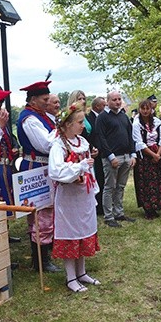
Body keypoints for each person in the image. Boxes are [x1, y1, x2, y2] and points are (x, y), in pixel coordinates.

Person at [49, 104, 101, 292]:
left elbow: (88, 166)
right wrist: (79, 167)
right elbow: (55, 171)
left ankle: (81, 272)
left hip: (83, 195)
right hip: (69, 198)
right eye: (80, 122)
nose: (83, 125)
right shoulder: (59, 145)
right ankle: (71, 277)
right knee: (70, 232)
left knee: (83, 228)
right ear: (67, 125)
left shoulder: (82, 142)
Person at [17, 80, 61, 272]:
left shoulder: (43, 117)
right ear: (33, 100)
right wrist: (60, 132)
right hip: (36, 169)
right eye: (44, 99)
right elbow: (45, 145)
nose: (47, 102)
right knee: (40, 214)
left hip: (46, 168)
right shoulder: (30, 119)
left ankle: (48, 252)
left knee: (49, 212)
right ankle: (40, 260)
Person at [94, 91, 136, 227]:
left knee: (121, 186)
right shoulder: (102, 118)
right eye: (114, 100)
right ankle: (109, 216)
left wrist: (133, 154)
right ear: (108, 101)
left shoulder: (124, 116)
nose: (117, 102)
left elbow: (130, 136)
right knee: (109, 187)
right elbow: (101, 139)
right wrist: (110, 156)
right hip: (111, 157)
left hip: (126, 156)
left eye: (119, 99)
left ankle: (119, 213)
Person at [132, 99, 161, 219]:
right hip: (145, 156)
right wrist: (153, 155)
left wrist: (158, 154)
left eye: (147, 108)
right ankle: (148, 208)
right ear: (139, 109)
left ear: (151, 109)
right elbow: (139, 143)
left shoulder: (157, 122)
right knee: (146, 182)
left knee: (157, 180)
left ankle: (157, 205)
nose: (145, 111)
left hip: (156, 152)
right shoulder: (136, 123)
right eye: (143, 108)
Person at [86, 97, 106, 215]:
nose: (105, 108)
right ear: (97, 106)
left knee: (102, 179)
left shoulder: (102, 118)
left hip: (102, 153)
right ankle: (98, 206)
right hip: (93, 153)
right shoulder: (89, 119)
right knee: (97, 179)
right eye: (104, 105)